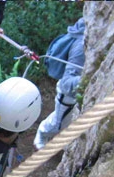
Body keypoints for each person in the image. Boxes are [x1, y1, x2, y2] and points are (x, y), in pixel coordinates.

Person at [33, 18, 85, 150]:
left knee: (66, 119)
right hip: (67, 94)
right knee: (58, 123)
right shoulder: (81, 45)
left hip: (74, 93)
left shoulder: (87, 29)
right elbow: (67, 83)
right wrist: (89, 77)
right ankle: (41, 134)